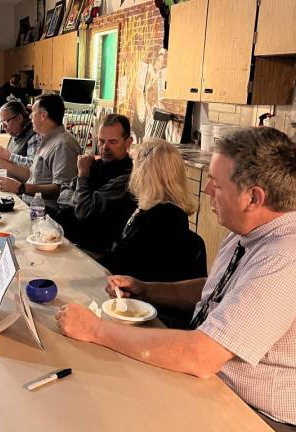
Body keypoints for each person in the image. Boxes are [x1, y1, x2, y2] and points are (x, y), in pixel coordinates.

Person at [56, 127, 296, 431]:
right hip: (212, 384)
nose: (208, 190)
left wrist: (96, 330)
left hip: (255, 412)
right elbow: (216, 291)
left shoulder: (283, 258)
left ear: (253, 198)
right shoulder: (246, 232)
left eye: (217, 184)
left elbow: (200, 355)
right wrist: (147, 289)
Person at [98, 138, 206, 285]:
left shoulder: (159, 218)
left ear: (145, 173)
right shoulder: (166, 211)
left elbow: (119, 264)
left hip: (138, 301)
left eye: (135, 166)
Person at [51, 114, 137, 254]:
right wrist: (82, 199)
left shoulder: (128, 177)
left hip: (93, 250)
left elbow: (83, 212)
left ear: (128, 142)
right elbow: (63, 196)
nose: (104, 148)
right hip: (65, 238)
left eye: (113, 142)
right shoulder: (94, 165)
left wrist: (83, 175)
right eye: (101, 141)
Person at [0, 94, 80, 205]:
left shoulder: (63, 144)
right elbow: (32, 175)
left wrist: (21, 188)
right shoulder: (46, 140)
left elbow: (61, 190)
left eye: (33, 112)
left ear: (43, 115)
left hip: (46, 213)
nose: (30, 117)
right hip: (30, 203)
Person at [0, 100, 40, 181]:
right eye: (1, 122)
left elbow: (33, 164)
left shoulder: (33, 135)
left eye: (6, 121)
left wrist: (8, 156)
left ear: (19, 118)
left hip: (24, 189)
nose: (3, 126)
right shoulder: (15, 132)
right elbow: (11, 163)